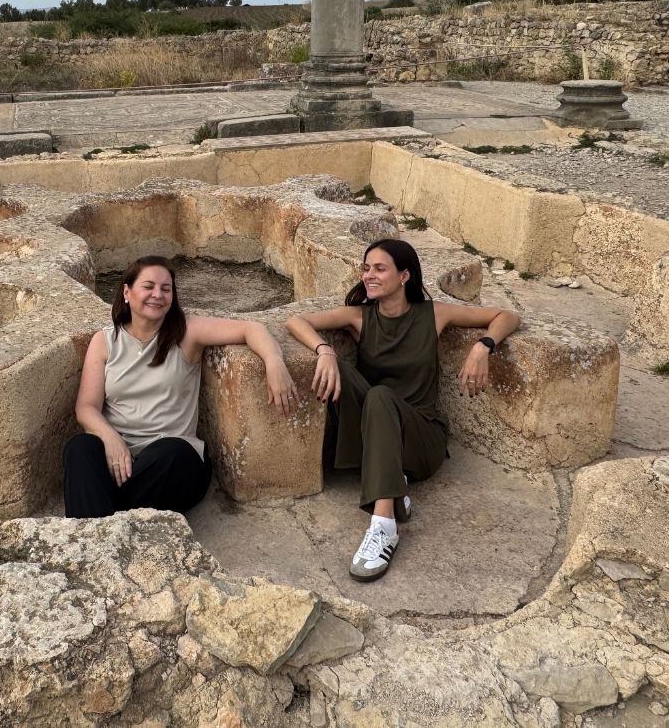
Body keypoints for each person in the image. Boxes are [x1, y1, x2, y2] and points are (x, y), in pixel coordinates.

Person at [284, 238, 520, 582]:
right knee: (347, 375)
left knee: (380, 396)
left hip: (421, 437)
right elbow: (296, 321)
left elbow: (507, 315)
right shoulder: (360, 317)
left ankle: (384, 525)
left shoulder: (434, 314)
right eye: (366, 268)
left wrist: (483, 347)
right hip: (379, 433)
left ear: (404, 275)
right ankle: (394, 490)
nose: (369, 275)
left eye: (380, 268)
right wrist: (325, 351)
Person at [64, 255, 298, 518]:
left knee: (173, 453)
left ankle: (103, 515)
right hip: (119, 458)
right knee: (80, 448)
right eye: (148, 286)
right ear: (127, 293)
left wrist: (274, 361)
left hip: (170, 463)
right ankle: (110, 530)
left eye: (166, 289)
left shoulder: (187, 331)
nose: (158, 295)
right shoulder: (105, 340)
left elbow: (251, 329)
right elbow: (86, 407)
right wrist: (111, 439)